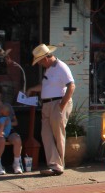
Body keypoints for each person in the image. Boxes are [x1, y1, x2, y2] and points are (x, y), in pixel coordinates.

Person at [26, 44, 75, 176]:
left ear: (45, 58)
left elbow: (71, 86)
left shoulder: (61, 67)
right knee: (46, 134)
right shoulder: (48, 70)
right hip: (47, 105)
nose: (40, 64)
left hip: (57, 103)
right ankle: (54, 164)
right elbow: (46, 86)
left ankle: (58, 166)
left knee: (58, 134)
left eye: (40, 61)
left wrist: (61, 105)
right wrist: (32, 89)